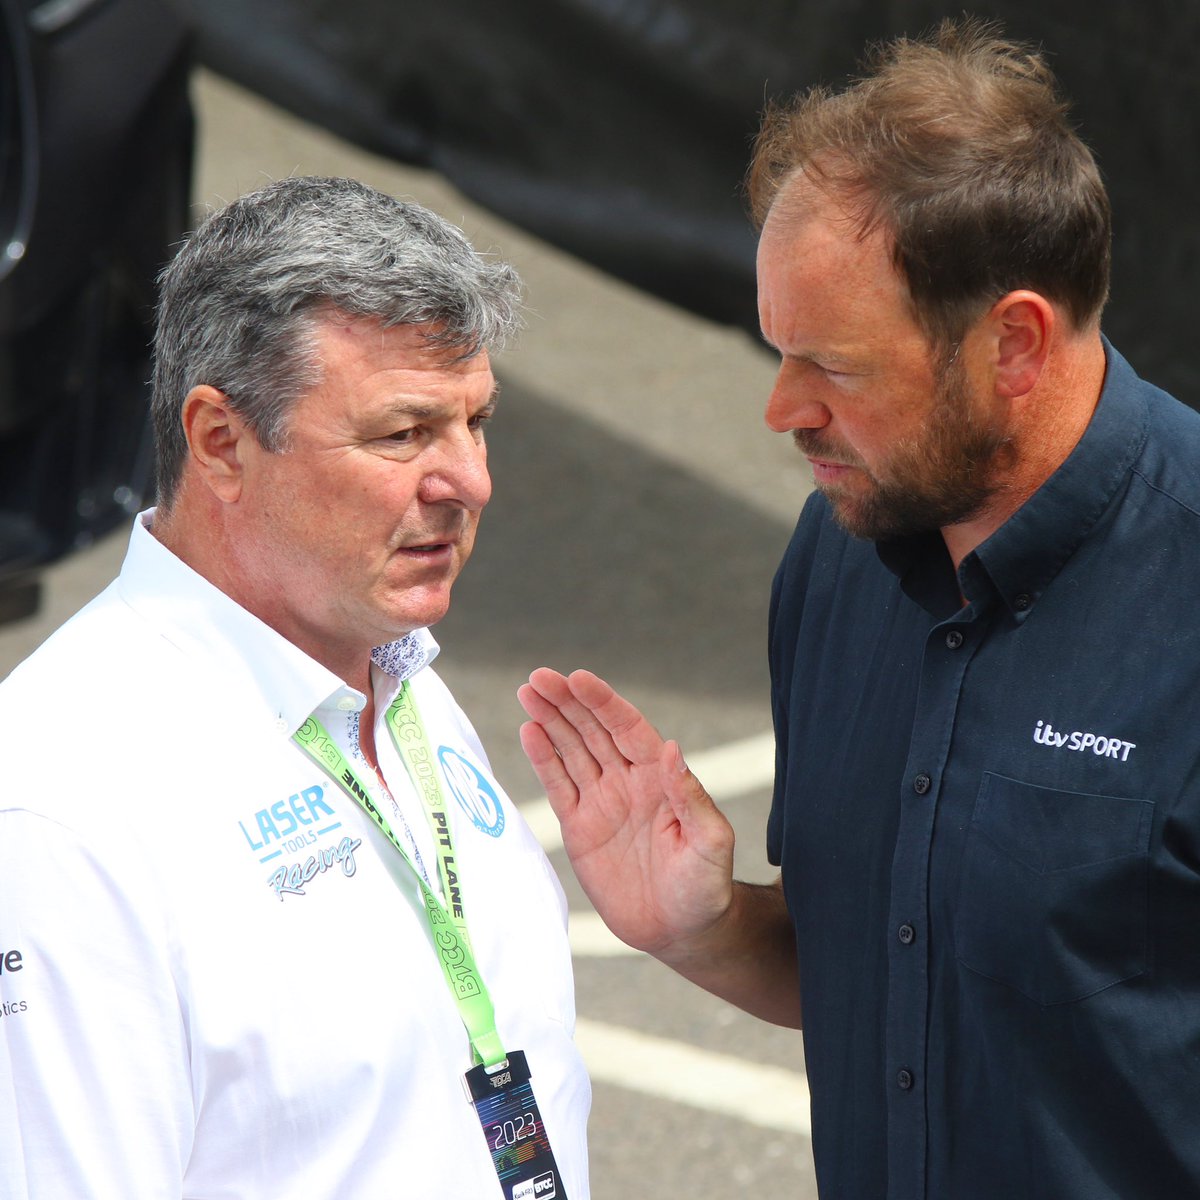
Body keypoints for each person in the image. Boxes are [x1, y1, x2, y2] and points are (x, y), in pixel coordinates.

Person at [516, 19, 1200, 1200]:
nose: (783, 411)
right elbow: (898, 973)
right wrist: (705, 926)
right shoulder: (839, 557)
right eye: (779, 352)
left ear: (1016, 344)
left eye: (833, 367)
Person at [0, 176, 590, 1199]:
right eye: (402, 435)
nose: (468, 482)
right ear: (222, 443)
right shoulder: (60, 812)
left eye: (474, 422)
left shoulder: (391, 672)